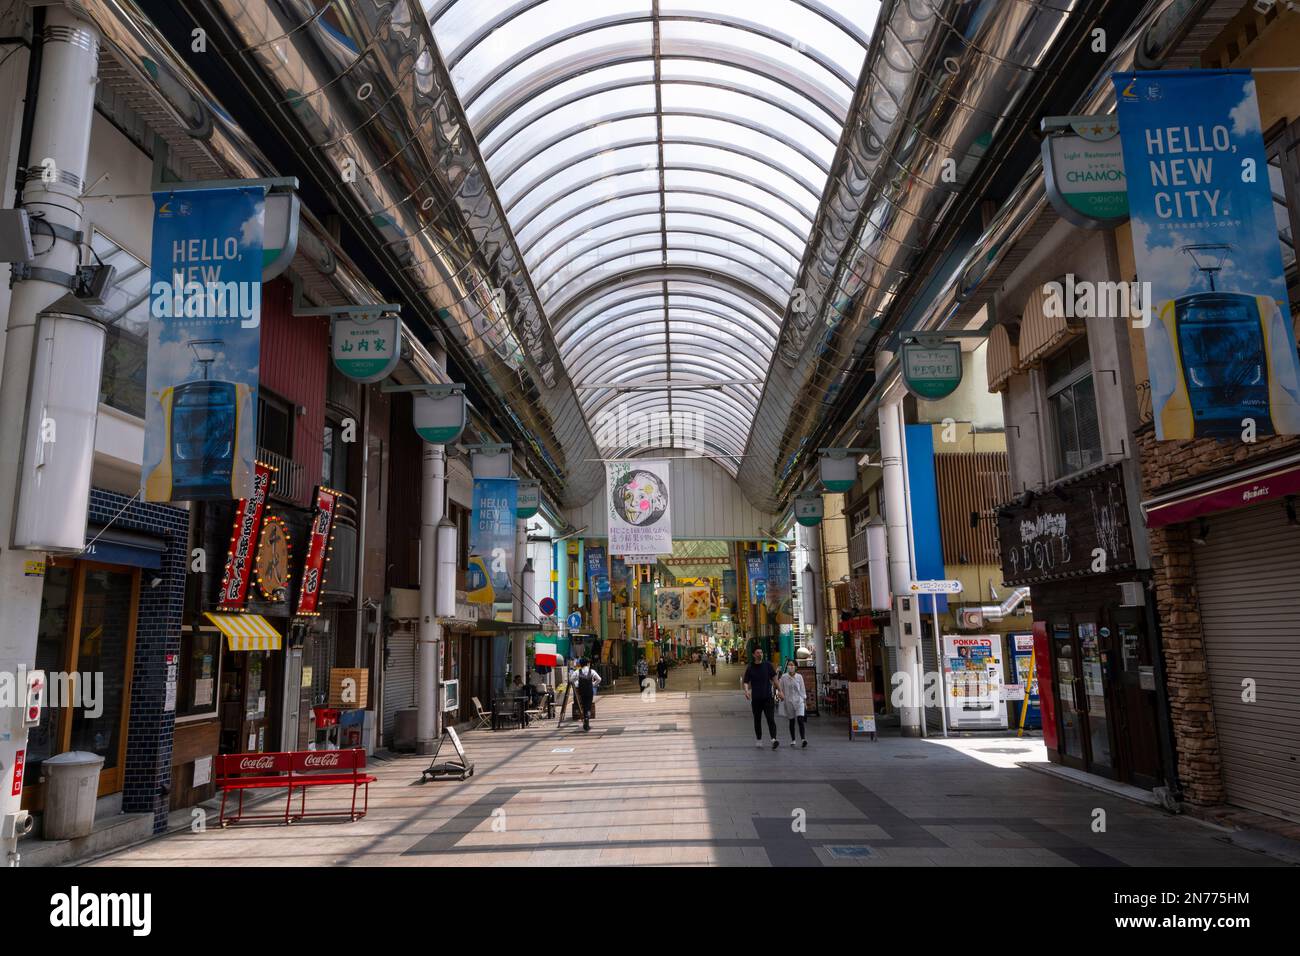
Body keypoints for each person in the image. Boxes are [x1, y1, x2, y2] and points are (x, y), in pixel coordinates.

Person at [742, 648, 780, 749]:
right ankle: (759, 739)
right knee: (757, 720)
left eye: (761, 652)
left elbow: (775, 679)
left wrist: (780, 691)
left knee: (770, 719)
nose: (760, 654)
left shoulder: (767, 665)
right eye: (758, 653)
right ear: (754, 655)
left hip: (768, 697)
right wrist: (746, 691)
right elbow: (746, 681)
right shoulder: (750, 667)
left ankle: (773, 739)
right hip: (756, 699)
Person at [777, 659, 808, 748]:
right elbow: (780, 688)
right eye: (789, 665)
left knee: (800, 720)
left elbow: (802, 689)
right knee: (791, 721)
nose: (790, 667)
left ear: (796, 667)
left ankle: (803, 739)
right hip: (789, 701)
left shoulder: (799, 677)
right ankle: (793, 740)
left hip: (799, 701)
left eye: (792, 665)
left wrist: (805, 701)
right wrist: (780, 694)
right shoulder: (784, 677)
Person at [572, 657, 601, 731]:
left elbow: (571, 680)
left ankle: (585, 719)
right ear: (587, 664)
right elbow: (599, 679)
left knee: (583, 705)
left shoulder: (577, 671)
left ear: (581, 664)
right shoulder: (592, 671)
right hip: (589, 691)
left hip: (581, 691)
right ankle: (586, 720)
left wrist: (577, 684)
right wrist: (593, 684)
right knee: (588, 706)